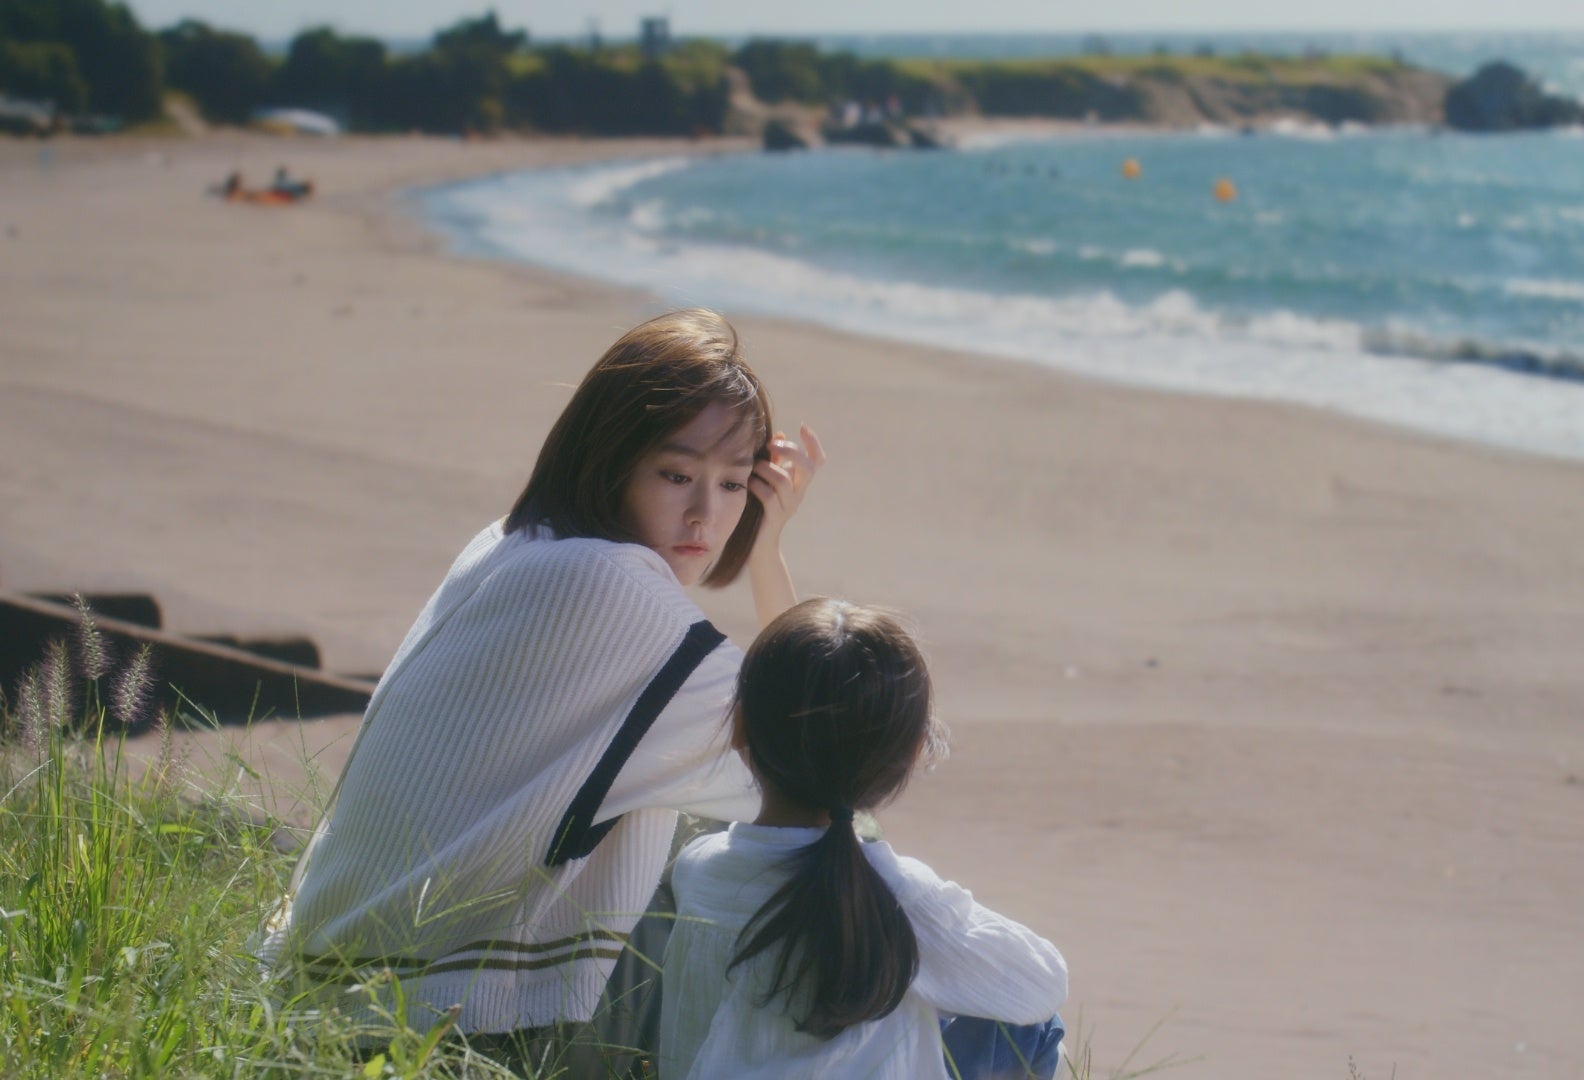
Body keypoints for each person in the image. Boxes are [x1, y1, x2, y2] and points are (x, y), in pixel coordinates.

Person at [257, 308, 824, 1074]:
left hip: (322, 986)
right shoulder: (610, 587)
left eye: (732, 485)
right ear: (610, 460)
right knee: (826, 850)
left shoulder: (516, 543)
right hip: (436, 1023)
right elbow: (816, 750)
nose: (706, 515)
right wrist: (770, 557)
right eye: (675, 475)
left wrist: (765, 539)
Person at [658, 599, 1069, 1080]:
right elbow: (1043, 981)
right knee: (1032, 1030)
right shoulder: (897, 894)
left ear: (738, 727)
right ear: (914, 750)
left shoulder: (698, 870)